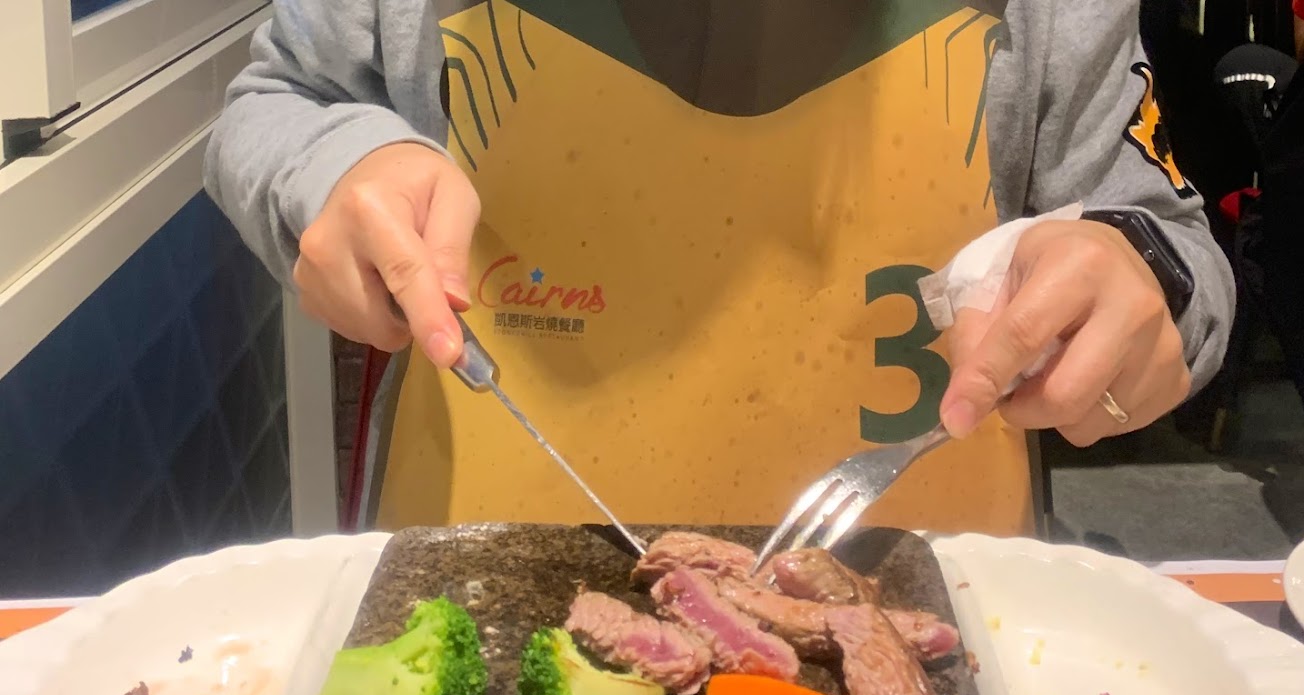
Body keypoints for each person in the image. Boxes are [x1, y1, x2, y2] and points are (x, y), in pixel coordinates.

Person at [204, 0, 1234, 538]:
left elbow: (1169, 245)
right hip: (472, 589)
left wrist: (1138, 278)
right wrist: (334, 166)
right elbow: (278, 97)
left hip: (935, 640)